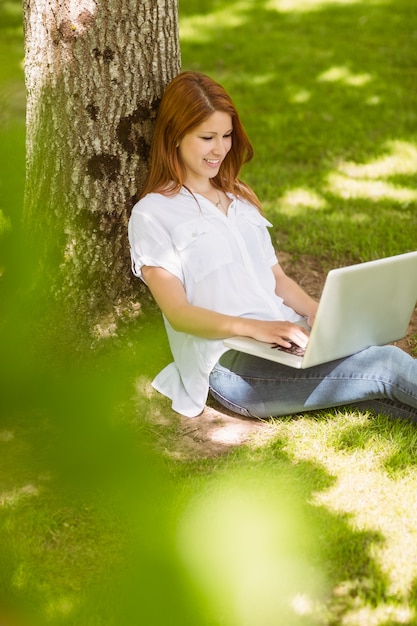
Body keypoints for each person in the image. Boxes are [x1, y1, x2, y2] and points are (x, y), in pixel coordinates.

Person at [128, 71, 417, 421]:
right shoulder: (153, 213)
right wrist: (258, 329)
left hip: (283, 342)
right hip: (233, 365)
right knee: (385, 363)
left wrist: (318, 315)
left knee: (379, 389)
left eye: (227, 135)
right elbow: (179, 313)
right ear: (175, 135)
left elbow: (276, 279)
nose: (220, 149)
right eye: (207, 137)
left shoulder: (239, 198)